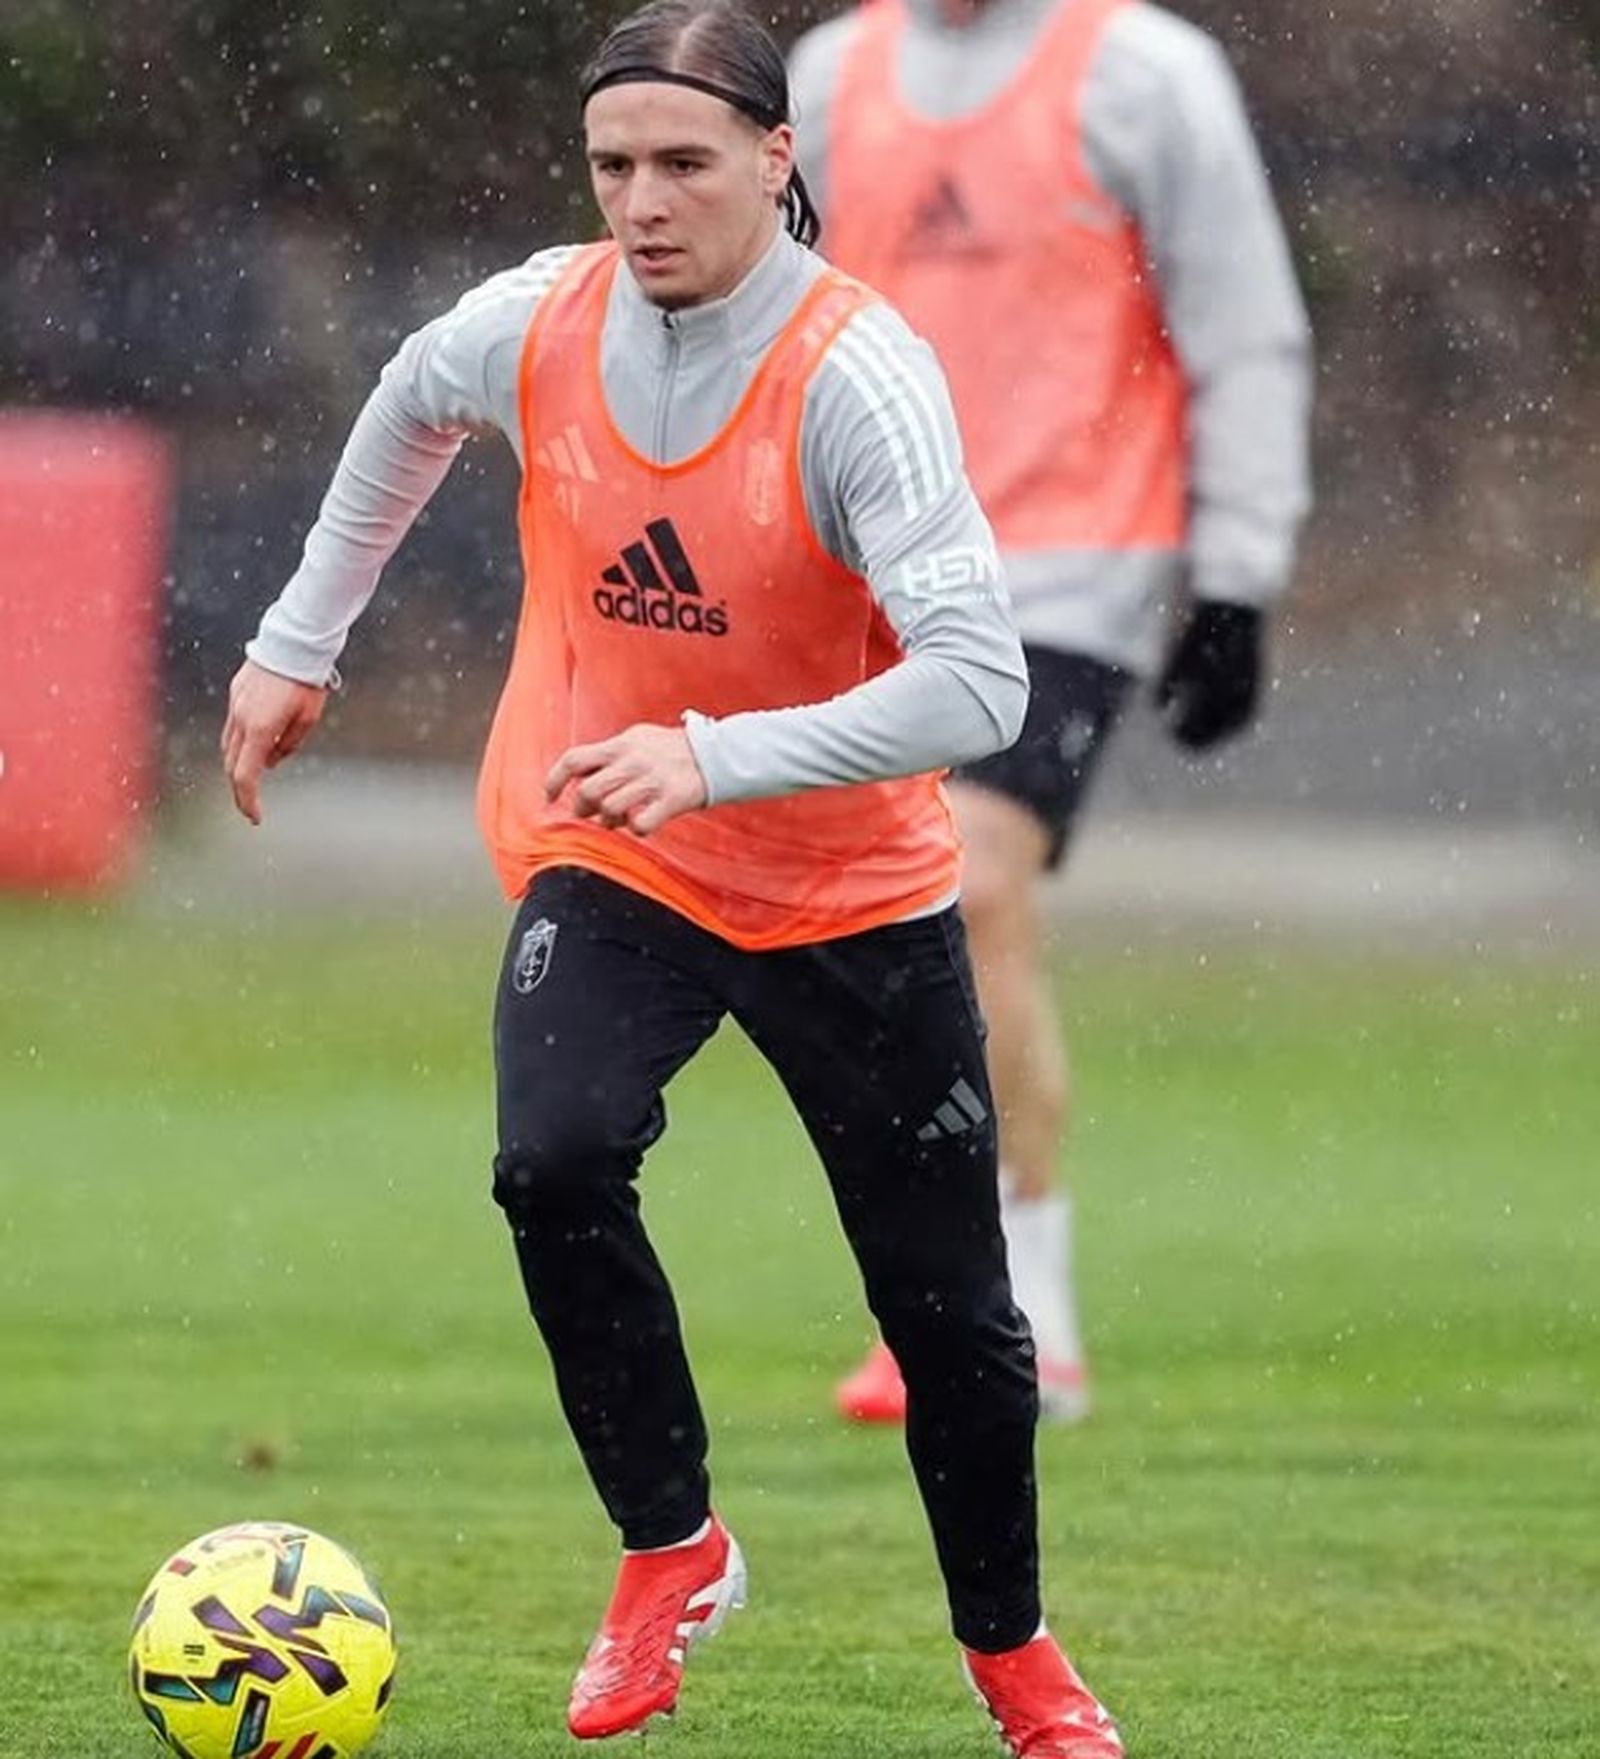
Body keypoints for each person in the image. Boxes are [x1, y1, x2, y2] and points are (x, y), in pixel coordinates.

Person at [221, 2, 1125, 1752]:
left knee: (954, 1323)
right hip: (612, 850)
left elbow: (980, 682)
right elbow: (407, 404)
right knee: (550, 1162)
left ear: (778, 164)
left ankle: (1016, 1662)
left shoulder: (856, 378)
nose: (642, 202)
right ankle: (672, 1547)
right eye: (613, 165)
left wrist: (713, 751)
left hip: (851, 891)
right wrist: (296, 642)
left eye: (685, 164)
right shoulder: (538, 321)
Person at [791, 0, 1314, 1426]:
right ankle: (934, 1298)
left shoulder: (1146, 76)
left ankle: (1026, 1307)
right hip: (866, 567)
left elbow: (1242, 325)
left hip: (1064, 573)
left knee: (969, 887)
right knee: (871, 935)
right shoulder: (833, 79)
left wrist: (1237, 579)